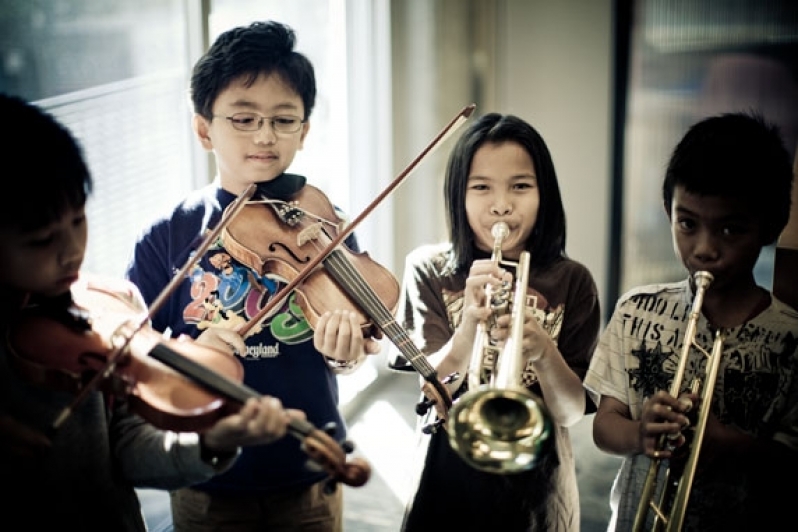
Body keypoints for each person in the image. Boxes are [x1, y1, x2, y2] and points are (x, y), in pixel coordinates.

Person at [0, 93, 299, 531]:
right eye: (42, 240)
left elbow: (130, 449)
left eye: (78, 220)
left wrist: (208, 442)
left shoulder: (111, 303)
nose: (72, 253)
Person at [125, 21, 381, 531]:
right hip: (208, 479)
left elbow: (352, 349)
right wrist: (195, 355)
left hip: (309, 466)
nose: (265, 136)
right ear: (204, 129)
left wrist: (346, 354)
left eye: (283, 120)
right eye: (243, 119)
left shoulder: (321, 227)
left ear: (304, 131)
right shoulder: (166, 236)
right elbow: (135, 356)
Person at [584, 111, 798, 531]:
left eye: (730, 230)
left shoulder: (791, 336)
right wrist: (640, 434)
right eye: (687, 223)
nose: (704, 249)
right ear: (668, 211)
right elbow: (604, 426)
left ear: (770, 227)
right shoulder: (635, 310)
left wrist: (731, 446)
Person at [389, 113, 601, 531]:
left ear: (545, 194)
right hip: (445, 476)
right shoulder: (427, 269)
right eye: (481, 187)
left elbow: (572, 412)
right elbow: (433, 387)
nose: (501, 205)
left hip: (538, 488)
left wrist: (542, 352)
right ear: (458, 195)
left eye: (520, 186)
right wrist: (468, 326)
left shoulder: (573, 280)